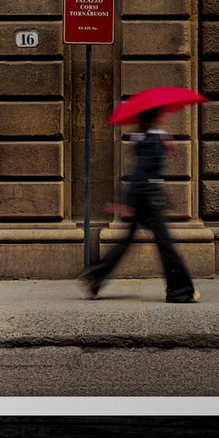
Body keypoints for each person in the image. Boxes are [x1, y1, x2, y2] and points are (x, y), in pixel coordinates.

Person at [80, 108, 197, 302]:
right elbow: (140, 174)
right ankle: (180, 290)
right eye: (161, 114)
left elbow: (147, 169)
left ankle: (94, 276)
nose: (165, 116)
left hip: (146, 198)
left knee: (126, 243)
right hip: (148, 201)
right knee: (165, 244)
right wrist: (128, 204)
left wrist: (164, 146)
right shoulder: (151, 142)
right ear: (154, 118)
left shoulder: (149, 139)